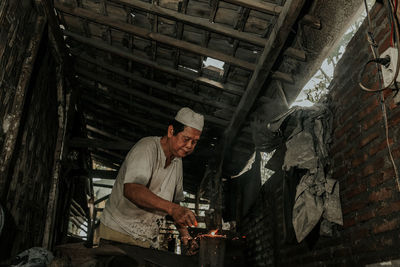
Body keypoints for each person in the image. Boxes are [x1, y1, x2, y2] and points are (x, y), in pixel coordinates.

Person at [99, 107, 203, 250]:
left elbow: (175, 204)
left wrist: (185, 235)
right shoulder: (147, 147)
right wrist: (173, 209)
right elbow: (132, 189)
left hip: (145, 239)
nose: (189, 146)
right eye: (186, 139)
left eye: (195, 142)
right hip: (118, 233)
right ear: (171, 131)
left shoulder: (177, 162)